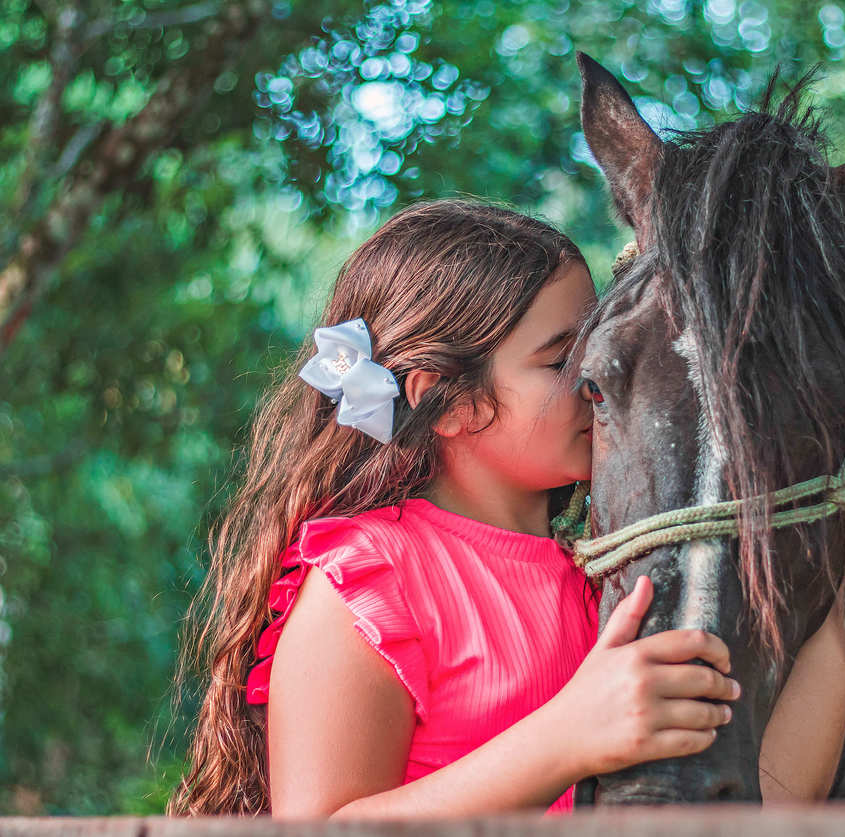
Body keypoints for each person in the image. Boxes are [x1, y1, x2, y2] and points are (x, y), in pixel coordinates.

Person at [167, 200, 740, 819]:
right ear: (448, 405)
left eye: (595, 348)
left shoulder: (618, 561)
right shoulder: (370, 581)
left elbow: (767, 793)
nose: (596, 376)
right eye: (557, 361)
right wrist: (566, 739)